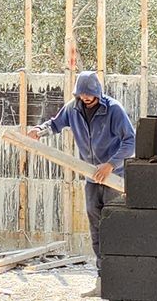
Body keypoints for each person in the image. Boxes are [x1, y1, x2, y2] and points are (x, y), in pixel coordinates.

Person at [45, 69, 135, 252]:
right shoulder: (73, 109)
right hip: (92, 177)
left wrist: (111, 164)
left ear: (97, 92)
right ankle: (101, 266)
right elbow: (54, 124)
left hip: (114, 178)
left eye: (89, 94)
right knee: (95, 223)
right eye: (81, 94)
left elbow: (130, 141)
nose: (85, 97)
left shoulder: (113, 109)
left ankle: (116, 264)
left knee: (114, 221)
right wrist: (39, 131)